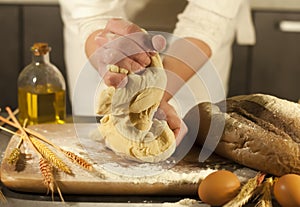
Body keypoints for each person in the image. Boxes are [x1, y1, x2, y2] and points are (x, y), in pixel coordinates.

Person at [58, 0, 255, 144]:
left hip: (197, 41)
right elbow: (93, 14)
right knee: (97, 137)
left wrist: (153, 95)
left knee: (192, 140)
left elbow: (206, 20)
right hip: (103, 25)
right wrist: (105, 47)